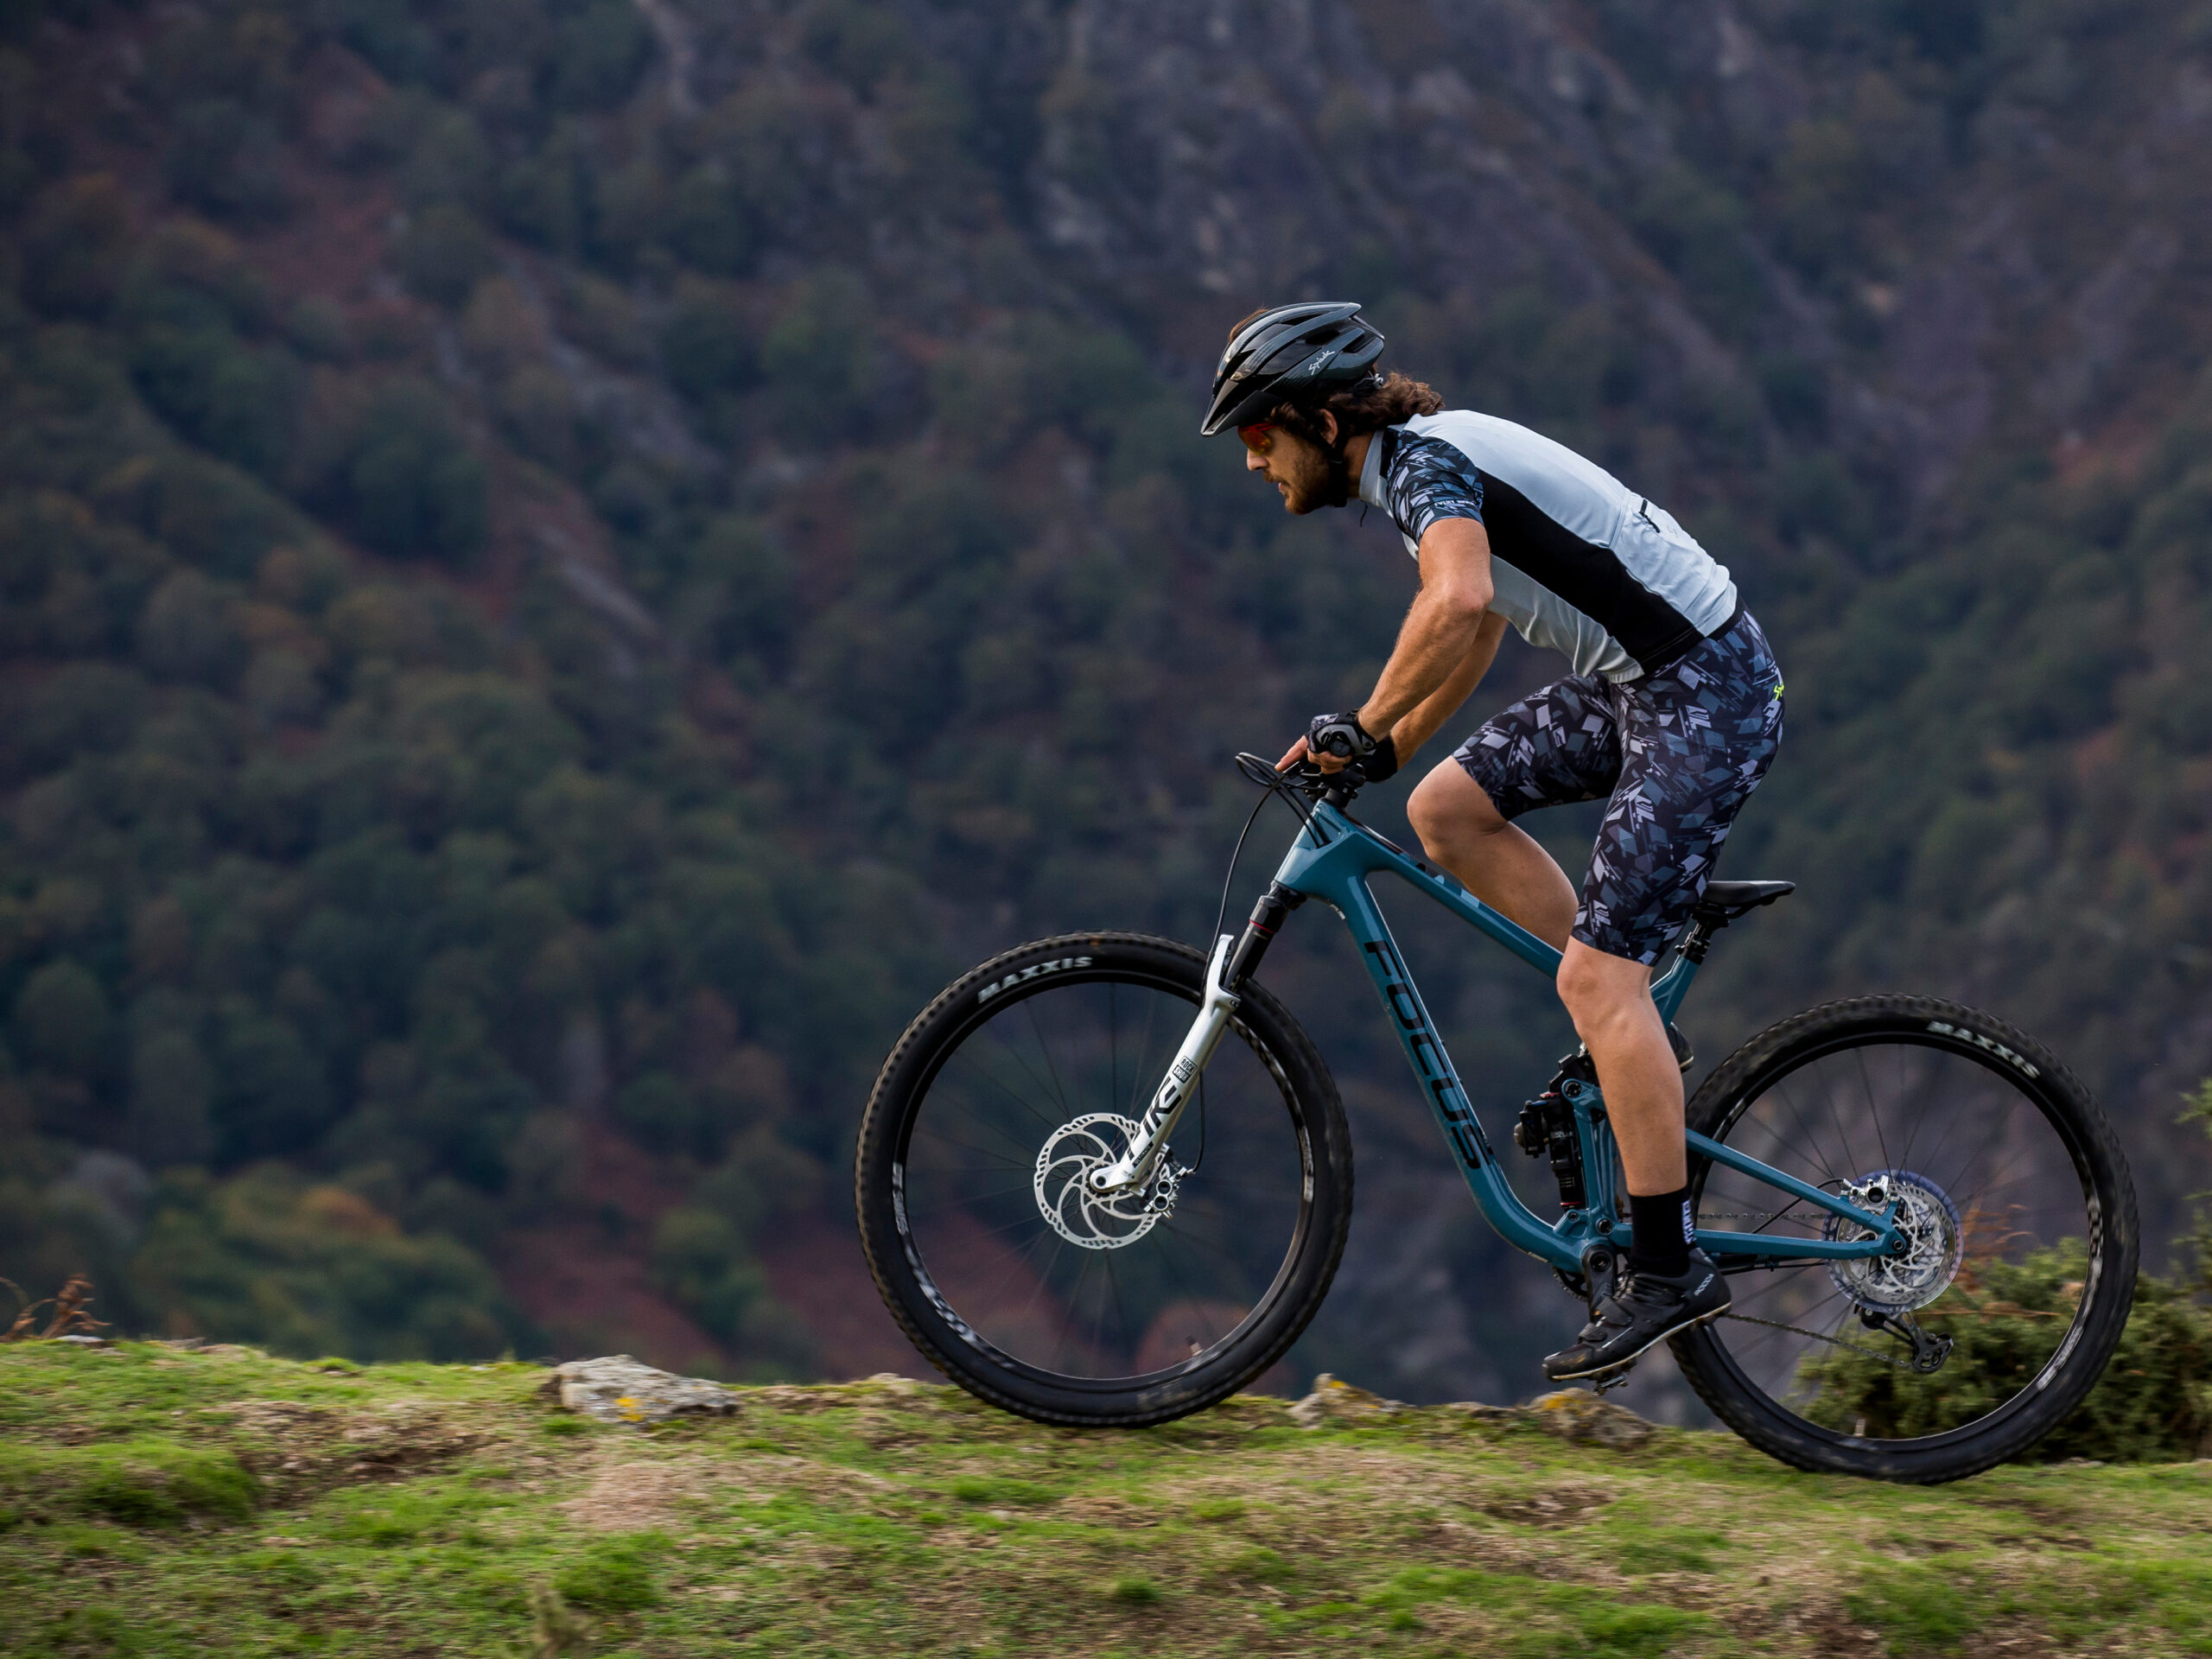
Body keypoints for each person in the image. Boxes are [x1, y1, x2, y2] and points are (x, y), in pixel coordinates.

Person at [1204, 302, 1785, 1381]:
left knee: (1599, 982)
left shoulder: (1425, 468)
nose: (1251, 459)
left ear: (1323, 423)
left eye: (1258, 432)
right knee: (1443, 812)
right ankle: (1633, 1029)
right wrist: (1383, 752)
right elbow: (1472, 621)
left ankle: (1668, 1269)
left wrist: (1363, 722)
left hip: (1703, 691)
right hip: (1641, 687)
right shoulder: (1418, 467)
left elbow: (1458, 596)